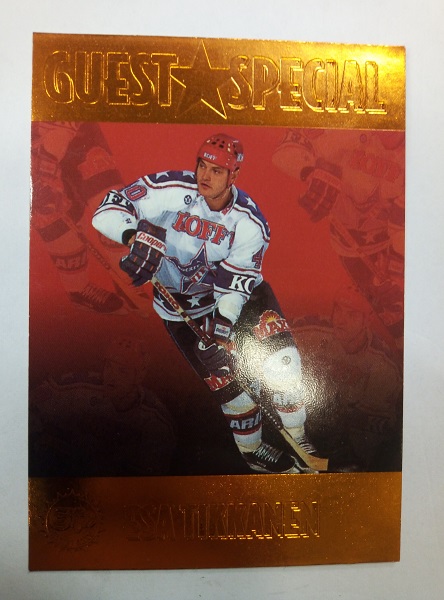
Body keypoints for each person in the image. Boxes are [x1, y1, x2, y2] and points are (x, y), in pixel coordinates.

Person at [92, 133, 318, 474]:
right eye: (202, 166)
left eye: (217, 170)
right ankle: (253, 450)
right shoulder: (170, 188)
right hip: (181, 308)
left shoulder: (249, 222)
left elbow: (234, 286)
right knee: (230, 389)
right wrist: (131, 235)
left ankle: (299, 438)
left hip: (240, 297)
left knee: (282, 363)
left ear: (234, 175)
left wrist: (222, 330)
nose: (205, 176)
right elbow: (108, 209)